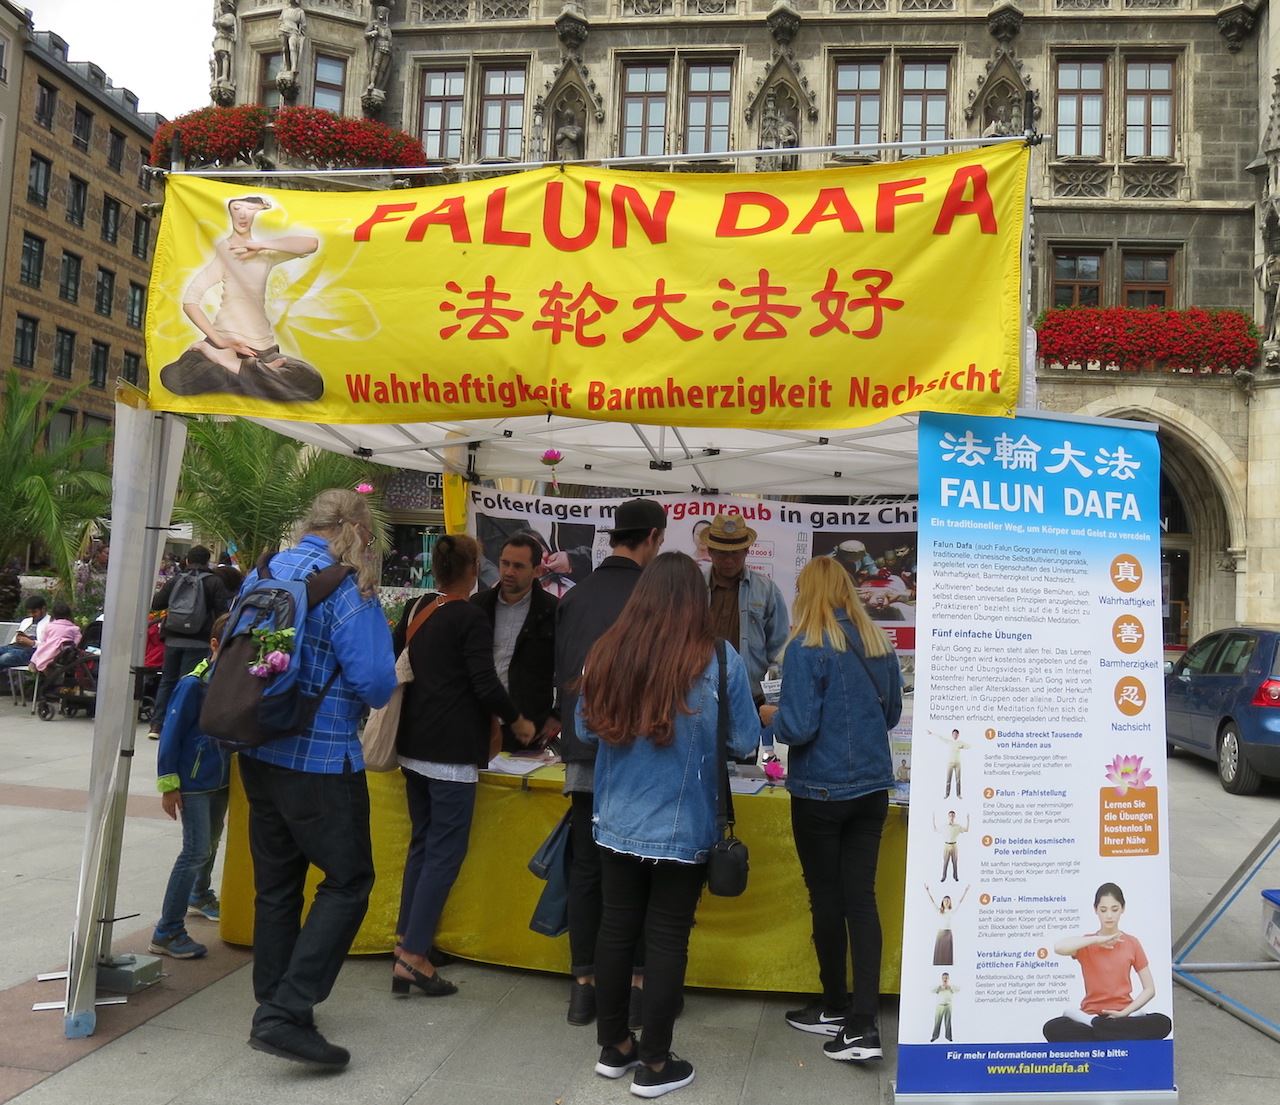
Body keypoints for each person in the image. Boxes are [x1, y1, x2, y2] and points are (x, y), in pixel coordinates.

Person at [579, 552, 760, 1099]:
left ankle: (615, 1046)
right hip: (684, 828)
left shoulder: (608, 651)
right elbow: (744, 742)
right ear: (696, 602)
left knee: (615, 929)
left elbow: (585, 732)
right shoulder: (719, 659)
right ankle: (655, 1063)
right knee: (666, 939)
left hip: (615, 820)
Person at [238, 489, 397, 1069]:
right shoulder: (348, 588)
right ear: (355, 530)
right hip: (322, 760)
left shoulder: (263, 572)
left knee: (277, 885)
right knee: (349, 881)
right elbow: (376, 682)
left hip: (258, 749)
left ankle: (274, 1001)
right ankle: (286, 1011)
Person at [759, 556, 901, 1063]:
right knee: (860, 900)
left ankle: (836, 1005)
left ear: (810, 593)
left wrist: (771, 716)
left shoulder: (806, 646)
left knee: (826, 898)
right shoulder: (878, 643)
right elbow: (891, 714)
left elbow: (798, 728)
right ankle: (862, 1021)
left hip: (819, 791)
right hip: (872, 788)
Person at [392, 534, 536, 997]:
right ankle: (414, 956)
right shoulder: (470, 616)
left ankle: (405, 941)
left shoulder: (416, 607)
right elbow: (484, 682)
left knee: (422, 844)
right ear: (473, 569)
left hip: (413, 744)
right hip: (450, 751)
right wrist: (517, 719)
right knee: (444, 853)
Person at [554, 497, 667, 1027]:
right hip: (635, 759)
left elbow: (562, 679)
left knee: (586, 872)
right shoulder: (652, 598)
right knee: (637, 872)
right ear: (654, 538)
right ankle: (638, 987)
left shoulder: (575, 597)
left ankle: (584, 988)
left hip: (582, 755)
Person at [158, 196, 324, 403]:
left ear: (257, 213)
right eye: (237, 208)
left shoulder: (266, 254)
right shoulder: (225, 252)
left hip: (262, 353)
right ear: (230, 211)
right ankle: (258, 378)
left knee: (312, 382)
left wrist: (259, 245)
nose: (243, 214)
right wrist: (220, 342)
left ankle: (234, 368)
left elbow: (311, 244)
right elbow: (190, 301)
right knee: (172, 376)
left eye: (250, 209)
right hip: (220, 347)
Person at [149, 614, 232, 960]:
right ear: (214, 645)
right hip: (194, 781)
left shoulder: (233, 682)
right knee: (195, 850)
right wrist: (169, 784)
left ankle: (200, 893)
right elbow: (170, 735)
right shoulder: (192, 685)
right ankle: (167, 930)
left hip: (220, 778)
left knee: (210, 842)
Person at [1042, 883, 1172, 1042]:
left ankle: (1103, 1030)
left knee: (1162, 1023)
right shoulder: (1087, 943)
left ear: (1122, 909)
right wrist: (1096, 940)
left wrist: (1124, 1013)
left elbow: (1149, 989)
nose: (1109, 915)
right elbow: (1059, 947)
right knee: (1052, 1028)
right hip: (1090, 1016)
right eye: (1103, 910)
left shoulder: (1132, 943)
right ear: (1095, 910)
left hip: (1124, 1016)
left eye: (1114, 909)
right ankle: (1107, 1029)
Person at [471, 534, 559, 753]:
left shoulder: (552, 611)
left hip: (527, 729)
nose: (509, 572)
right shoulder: (478, 606)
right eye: (505, 563)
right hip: (477, 720)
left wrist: (558, 715)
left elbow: (570, 666)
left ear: (537, 571)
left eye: (518, 566)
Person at [700, 513, 788, 706]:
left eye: (735, 553)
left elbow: (779, 652)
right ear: (710, 551)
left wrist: (772, 700)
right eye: (722, 553)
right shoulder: (694, 587)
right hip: (701, 695)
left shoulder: (767, 590)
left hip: (751, 698)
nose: (729, 560)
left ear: (747, 551)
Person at [148, 546, 231, 741]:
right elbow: (222, 612)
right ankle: (178, 726)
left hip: (172, 638)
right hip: (199, 640)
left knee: (167, 681)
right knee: (187, 683)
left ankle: (156, 725)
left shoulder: (176, 579)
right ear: (207, 561)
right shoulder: (214, 582)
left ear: (187, 560)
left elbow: (157, 603)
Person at [924, 884, 969, 966]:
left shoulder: (952, 911)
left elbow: (960, 902)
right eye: (945, 900)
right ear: (942, 902)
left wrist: (965, 891)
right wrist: (928, 891)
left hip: (948, 933)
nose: (946, 902)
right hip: (940, 934)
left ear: (950, 902)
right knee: (939, 951)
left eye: (948, 900)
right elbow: (932, 902)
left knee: (947, 952)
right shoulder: (939, 911)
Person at [0, 595, 49, 669]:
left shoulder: (51, 623)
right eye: (29, 612)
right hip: (14, 647)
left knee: (4, 658)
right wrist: (18, 638)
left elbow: (50, 646)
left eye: (34, 612)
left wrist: (32, 643)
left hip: (31, 652)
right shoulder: (26, 621)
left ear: (43, 609)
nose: (31, 615)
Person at [30, 602, 81, 671]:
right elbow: (78, 642)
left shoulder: (48, 627)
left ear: (53, 615)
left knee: (41, 648)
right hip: (64, 657)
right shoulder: (74, 628)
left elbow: (43, 640)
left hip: (47, 655)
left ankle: (34, 664)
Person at [932, 728, 969, 798]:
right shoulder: (949, 742)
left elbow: (969, 746)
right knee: (948, 780)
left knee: (958, 780)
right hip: (950, 763)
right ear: (952, 735)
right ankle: (947, 794)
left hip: (958, 763)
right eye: (954, 734)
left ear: (958, 735)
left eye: (956, 734)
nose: (955, 735)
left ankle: (958, 794)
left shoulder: (960, 742)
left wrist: (963, 747)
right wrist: (932, 734)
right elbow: (941, 738)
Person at [935, 810, 969, 883]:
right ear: (948, 816)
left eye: (953, 816)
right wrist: (933, 819)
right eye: (950, 816)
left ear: (955, 816)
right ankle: (943, 876)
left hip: (954, 845)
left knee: (955, 862)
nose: (951, 817)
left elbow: (966, 830)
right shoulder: (944, 826)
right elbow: (935, 830)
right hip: (946, 845)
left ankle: (955, 876)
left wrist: (968, 820)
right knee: (945, 862)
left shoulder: (958, 826)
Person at [931, 973, 959, 1043]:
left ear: (948, 978)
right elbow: (932, 990)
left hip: (948, 1006)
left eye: (946, 978)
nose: (945, 979)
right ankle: (935, 1037)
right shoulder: (939, 986)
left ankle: (948, 1037)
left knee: (948, 1022)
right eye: (944, 978)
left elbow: (958, 989)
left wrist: (950, 987)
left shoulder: (951, 986)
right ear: (942, 978)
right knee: (937, 1022)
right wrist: (939, 988)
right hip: (939, 1006)